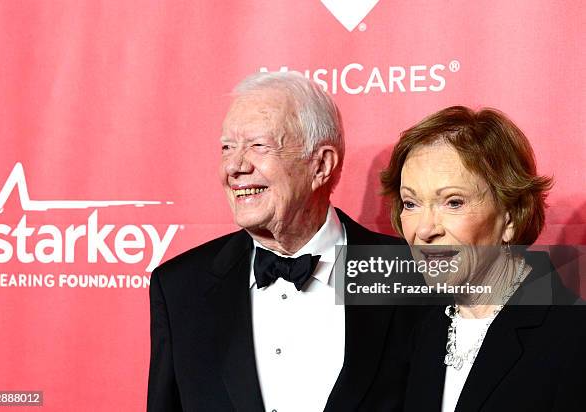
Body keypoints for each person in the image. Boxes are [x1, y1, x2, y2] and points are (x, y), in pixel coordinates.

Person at [147, 71, 423, 412]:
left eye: (258, 145)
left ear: (321, 165)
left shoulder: (407, 272)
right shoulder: (180, 288)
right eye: (227, 147)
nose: (233, 166)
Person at [380, 106, 586, 411]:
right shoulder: (421, 328)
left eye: (453, 202)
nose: (424, 230)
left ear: (511, 216)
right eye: (410, 203)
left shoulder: (573, 338)